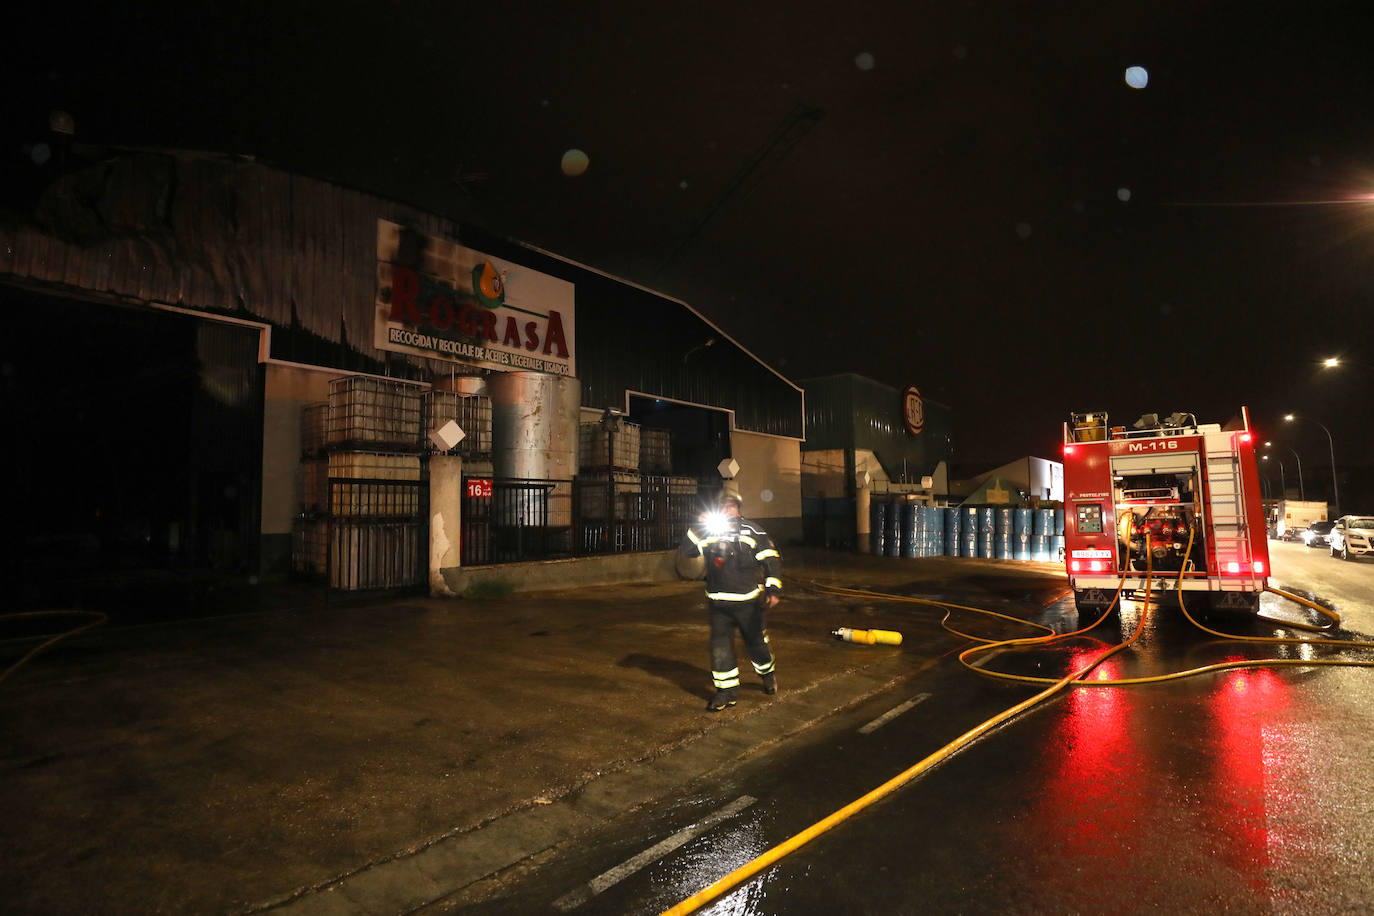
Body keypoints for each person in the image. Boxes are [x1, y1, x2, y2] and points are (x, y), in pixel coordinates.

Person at [681, 490, 783, 711]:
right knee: (720, 648)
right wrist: (698, 526)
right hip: (719, 604)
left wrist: (773, 589)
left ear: (738, 508)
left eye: (730, 506)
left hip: (748, 604)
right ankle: (727, 692)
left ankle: (767, 674)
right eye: (722, 506)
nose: (726, 510)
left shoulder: (753, 530)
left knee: (756, 646)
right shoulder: (708, 532)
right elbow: (688, 551)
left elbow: (770, 561)